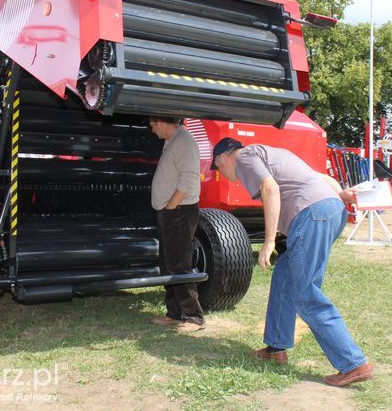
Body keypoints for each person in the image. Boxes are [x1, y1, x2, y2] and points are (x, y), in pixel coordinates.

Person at [211, 137, 372, 387]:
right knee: (284, 277)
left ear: (223, 157)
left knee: (305, 292)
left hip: (312, 215)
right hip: (329, 209)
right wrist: (340, 195)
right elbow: (321, 178)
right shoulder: (273, 153)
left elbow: (270, 189)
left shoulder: (244, 157)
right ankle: (276, 348)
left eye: (218, 167)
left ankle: (353, 363)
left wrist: (268, 242)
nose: (222, 172)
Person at [148, 116, 204, 333]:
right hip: (172, 211)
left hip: (179, 211)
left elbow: (189, 181)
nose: (152, 130)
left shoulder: (184, 141)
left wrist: (171, 207)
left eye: (153, 125)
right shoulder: (172, 141)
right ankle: (174, 313)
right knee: (168, 264)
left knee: (179, 265)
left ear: (161, 121)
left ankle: (193, 317)